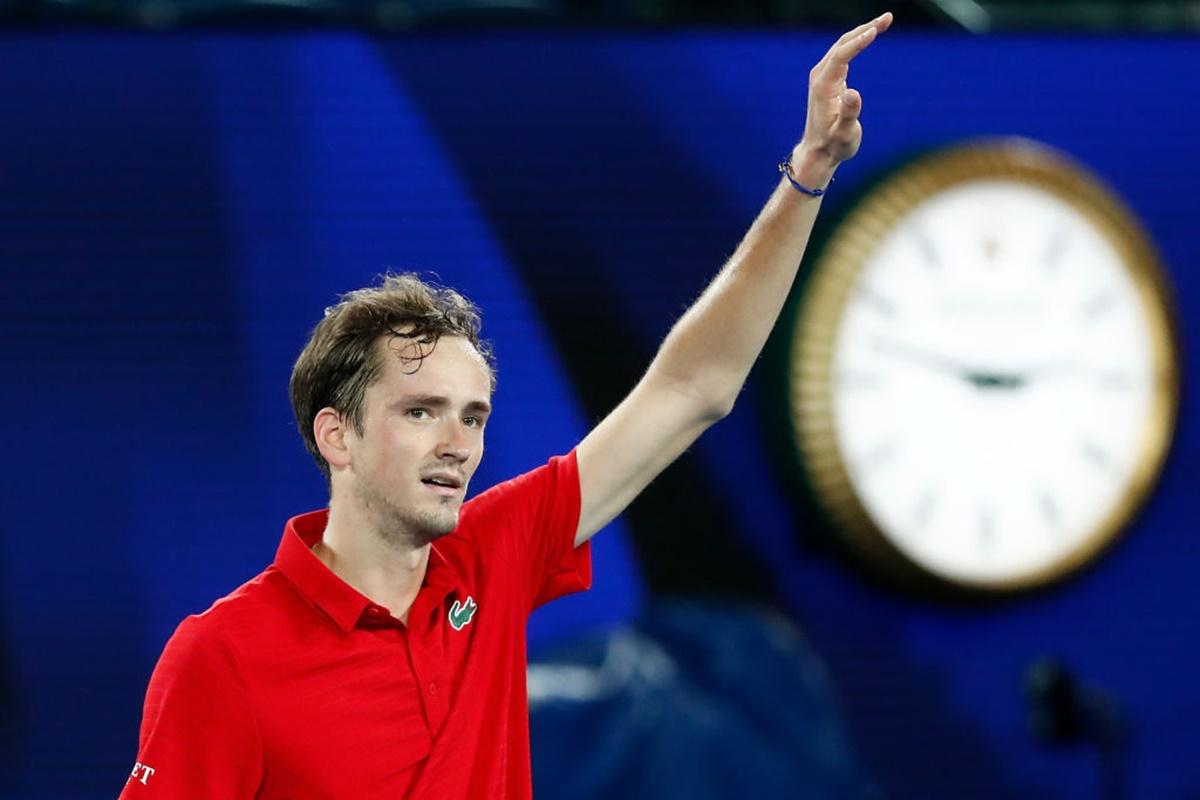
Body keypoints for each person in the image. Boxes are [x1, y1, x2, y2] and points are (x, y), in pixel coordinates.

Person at [120, 12, 893, 799]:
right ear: (336, 435)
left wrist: (808, 176)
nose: (458, 442)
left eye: (474, 416)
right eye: (422, 411)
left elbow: (692, 388)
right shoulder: (222, 654)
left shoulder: (490, 559)